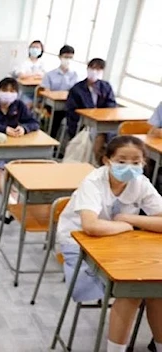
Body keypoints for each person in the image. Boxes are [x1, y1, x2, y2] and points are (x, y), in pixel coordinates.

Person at [56, 135, 162, 352]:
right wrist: (129, 227)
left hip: (121, 245)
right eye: (122, 161)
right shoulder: (93, 182)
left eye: (136, 162)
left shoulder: (141, 183)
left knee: (157, 289)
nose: (129, 167)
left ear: (144, 163)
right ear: (107, 160)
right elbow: (91, 226)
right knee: (131, 290)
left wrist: (130, 219)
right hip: (80, 246)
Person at [0, 77, 40, 202]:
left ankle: (12, 202)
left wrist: (24, 128)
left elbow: (34, 123)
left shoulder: (19, 105)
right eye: (5, 90)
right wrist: (4, 129)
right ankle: (10, 202)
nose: (8, 94)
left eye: (12, 91)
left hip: (13, 148)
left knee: (18, 169)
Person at [66, 58, 116, 163]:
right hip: (84, 124)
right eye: (92, 68)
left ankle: (108, 160)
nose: (95, 72)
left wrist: (101, 116)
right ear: (87, 69)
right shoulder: (77, 89)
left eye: (99, 69)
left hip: (103, 122)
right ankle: (97, 162)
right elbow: (72, 111)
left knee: (115, 136)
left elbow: (111, 106)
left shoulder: (105, 87)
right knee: (98, 136)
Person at [41, 44, 78, 137]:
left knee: (74, 116)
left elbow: (74, 91)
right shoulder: (50, 75)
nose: (68, 60)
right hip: (51, 105)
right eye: (66, 57)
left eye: (70, 57)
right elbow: (46, 92)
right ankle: (51, 140)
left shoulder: (74, 75)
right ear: (60, 57)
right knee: (56, 116)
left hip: (68, 104)